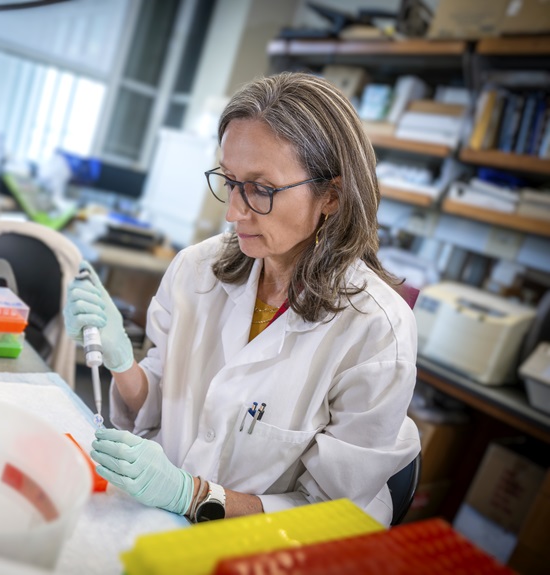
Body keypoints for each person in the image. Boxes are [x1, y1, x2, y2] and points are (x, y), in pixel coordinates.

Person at [64, 72, 420, 526]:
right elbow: (152, 410)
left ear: (331, 195)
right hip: (159, 521)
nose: (233, 212)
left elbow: (326, 512)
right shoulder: (198, 268)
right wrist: (121, 362)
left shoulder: (376, 331)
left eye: (261, 189)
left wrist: (191, 495)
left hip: (269, 549)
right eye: (229, 181)